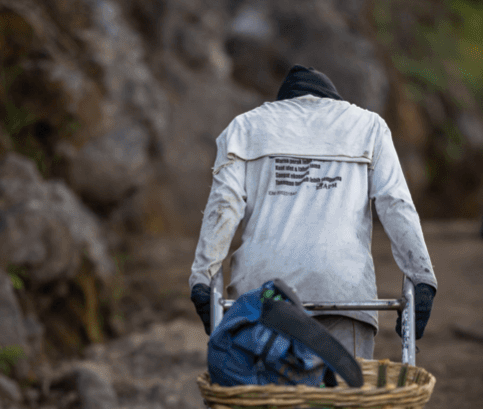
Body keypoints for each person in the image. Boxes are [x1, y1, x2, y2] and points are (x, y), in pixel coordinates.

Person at [188, 65, 438, 363]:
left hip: (262, 296)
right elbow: (395, 204)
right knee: (343, 390)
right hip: (343, 292)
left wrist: (201, 280)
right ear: (331, 98)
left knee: (267, 391)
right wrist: (423, 279)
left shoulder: (244, 128)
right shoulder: (368, 126)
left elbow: (223, 207)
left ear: (284, 101)